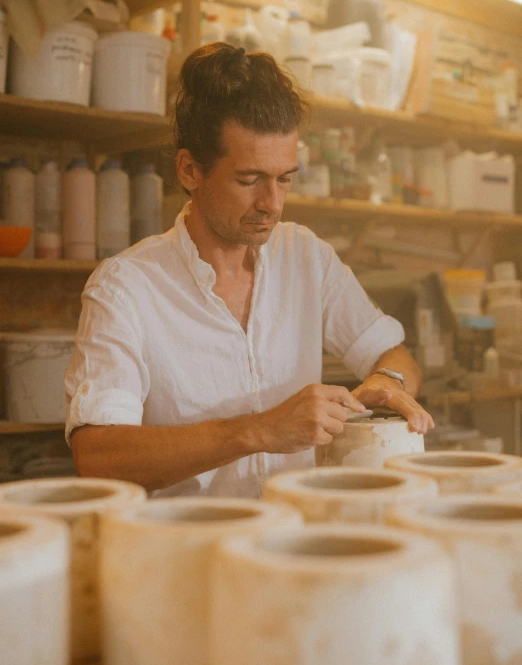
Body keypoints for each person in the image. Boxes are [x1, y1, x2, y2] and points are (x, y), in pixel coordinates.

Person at [67, 42, 433, 497]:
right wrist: (257, 431)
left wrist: (387, 381)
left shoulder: (305, 257)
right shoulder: (126, 287)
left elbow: (396, 357)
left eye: (284, 179)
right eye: (249, 180)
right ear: (189, 170)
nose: (272, 204)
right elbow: (98, 457)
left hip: (296, 543)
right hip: (182, 555)